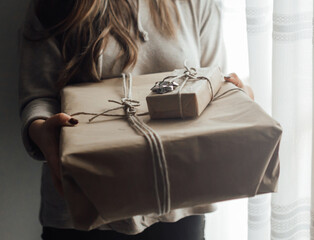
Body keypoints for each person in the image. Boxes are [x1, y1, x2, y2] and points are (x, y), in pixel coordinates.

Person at [19, 0, 252, 239]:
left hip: (179, 203)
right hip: (84, 205)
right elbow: (39, 98)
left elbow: (211, 82)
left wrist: (235, 97)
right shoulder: (54, 5)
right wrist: (42, 132)